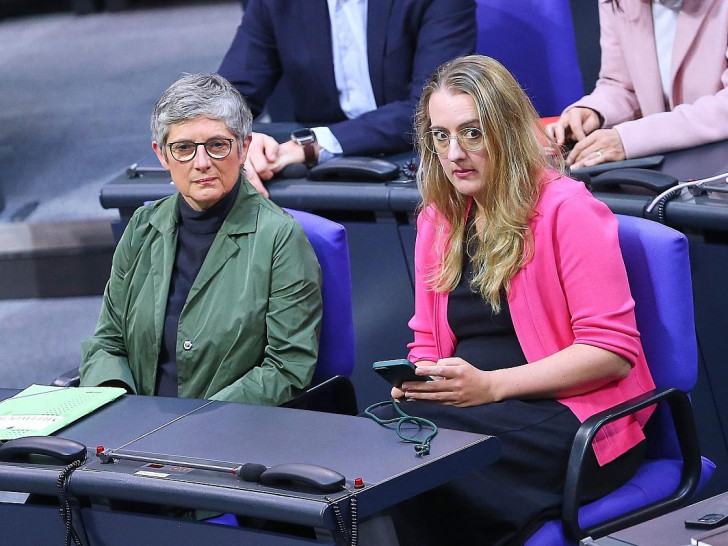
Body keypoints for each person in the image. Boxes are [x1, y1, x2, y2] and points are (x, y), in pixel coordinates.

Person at [372, 55, 656, 545]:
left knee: (434, 468)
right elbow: (426, 339)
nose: (455, 152)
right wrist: (422, 381)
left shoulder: (569, 211)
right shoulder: (438, 220)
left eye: (472, 132)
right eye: (441, 136)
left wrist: (492, 386)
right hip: (472, 403)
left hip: (574, 414)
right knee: (370, 442)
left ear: (506, 132)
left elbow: (610, 354)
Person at [80, 73, 323, 407]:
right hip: (136, 430)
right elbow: (107, 342)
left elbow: (287, 368)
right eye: (183, 148)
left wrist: (198, 424)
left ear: (244, 147)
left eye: (217, 145)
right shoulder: (142, 226)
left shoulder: (280, 238)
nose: (202, 163)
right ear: (161, 155)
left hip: (226, 434)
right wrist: (121, 413)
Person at [217, 0, 476, 195]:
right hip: (319, 184)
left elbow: (430, 108)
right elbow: (226, 98)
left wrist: (311, 145)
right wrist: (241, 141)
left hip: (418, 165)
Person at [547, 0, 728, 170]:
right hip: (668, 171)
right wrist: (594, 111)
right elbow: (621, 84)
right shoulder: (617, 3)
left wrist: (631, 139)